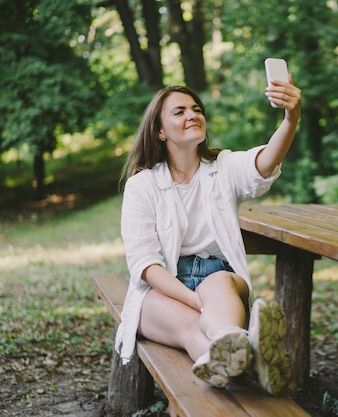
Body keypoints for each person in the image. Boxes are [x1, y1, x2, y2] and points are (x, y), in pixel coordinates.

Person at [115, 77, 302, 395]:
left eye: (196, 109)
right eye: (179, 111)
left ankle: (231, 340)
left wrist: (291, 117)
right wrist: (190, 299)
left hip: (218, 279)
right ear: (160, 131)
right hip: (163, 287)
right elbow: (146, 265)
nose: (192, 114)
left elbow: (266, 161)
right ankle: (253, 361)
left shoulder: (224, 167)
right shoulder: (142, 185)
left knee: (219, 289)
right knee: (189, 326)